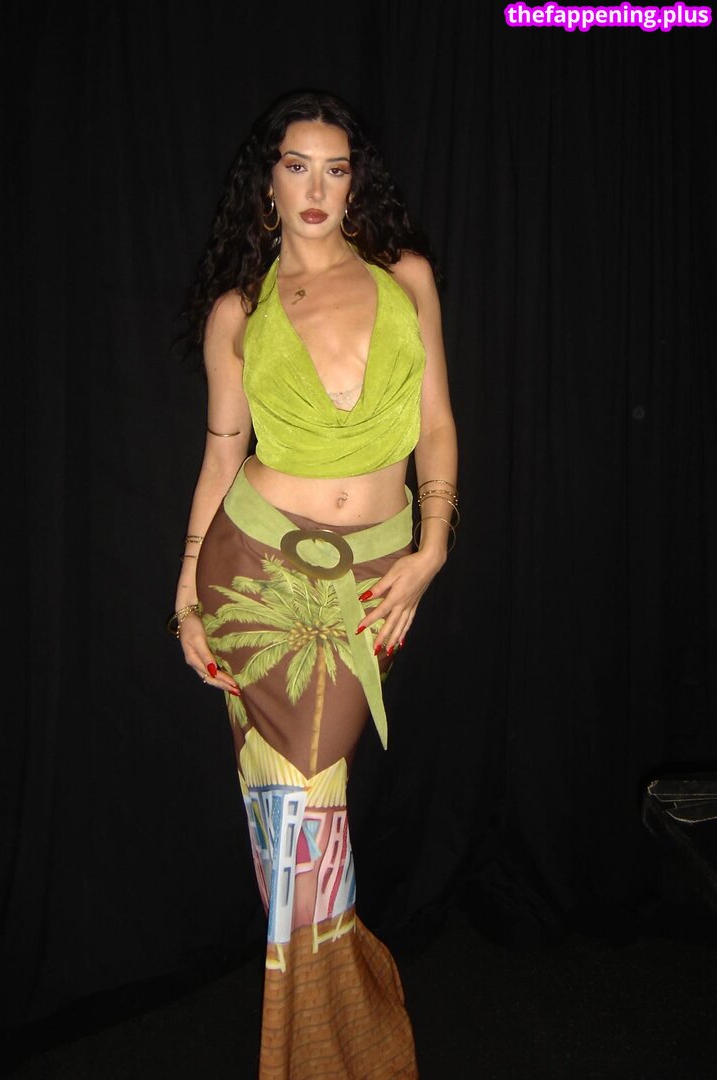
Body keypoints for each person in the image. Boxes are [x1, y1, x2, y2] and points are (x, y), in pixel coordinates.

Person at [169, 89, 457, 1079]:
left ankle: (334, 1029)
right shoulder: (239, 313)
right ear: (268, 184)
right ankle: (334, 1045)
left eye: (336, 168)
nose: (318, 187)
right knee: (293, 814)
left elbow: (437, 424)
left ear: (356, 180)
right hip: (254, 571)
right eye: (297, 166)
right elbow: (221, 456)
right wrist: (185, 599)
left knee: (302, 815)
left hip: (375, 569)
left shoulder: (404, 277)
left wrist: (433, 547)